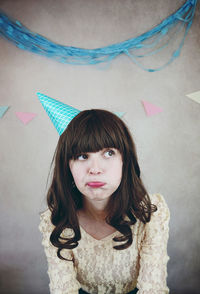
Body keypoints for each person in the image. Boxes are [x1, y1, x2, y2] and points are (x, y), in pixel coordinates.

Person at [38, 108, 170, 294]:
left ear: (125, 160)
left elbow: (153, 289)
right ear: (67, 166)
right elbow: (63, 289)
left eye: (108, 153)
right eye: (82, 156)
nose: (95, 169)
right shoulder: (56, 219)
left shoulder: (151, 212)